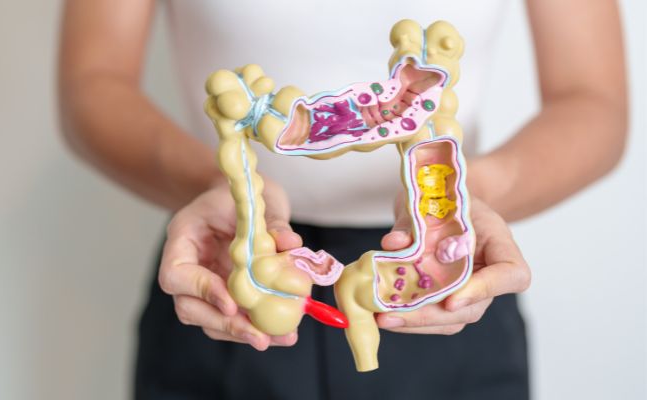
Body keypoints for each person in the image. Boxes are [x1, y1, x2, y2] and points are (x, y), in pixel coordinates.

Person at [58, 1, 627, 399]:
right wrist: (223, 186)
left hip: (453, 277)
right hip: (229, 254)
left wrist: (470, 194)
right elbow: (94, 79)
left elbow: (593, 102)